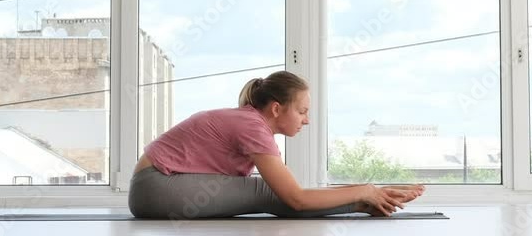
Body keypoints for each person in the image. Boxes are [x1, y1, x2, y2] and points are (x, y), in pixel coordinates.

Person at [128, 70, 424, 219]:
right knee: (268, 192)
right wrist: (364, 190)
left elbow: (293, 196)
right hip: (155, 185)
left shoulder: (251, 123)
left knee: (271, 191)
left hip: (158, 185)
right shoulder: (253, 126)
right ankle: (362, 203)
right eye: (302, 111)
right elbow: (296, 199)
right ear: (276, 109)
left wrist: (367, 194)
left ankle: (363, 204)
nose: (307, 120)